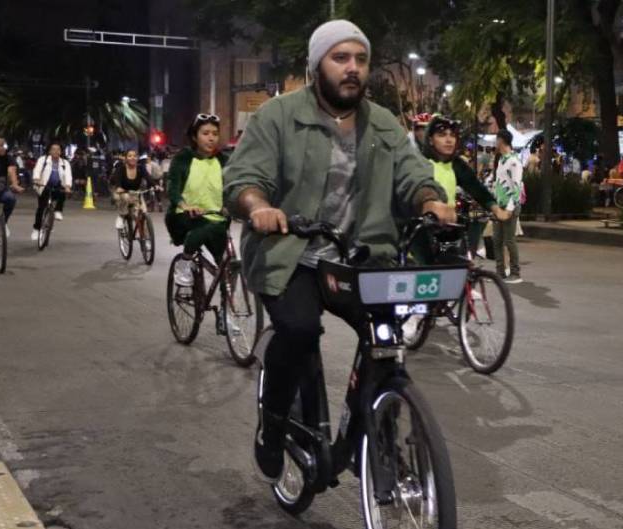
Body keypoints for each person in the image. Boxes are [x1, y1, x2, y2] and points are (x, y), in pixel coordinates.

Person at [221, 19, 456, 483]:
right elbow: (245, 177)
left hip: (362, 259)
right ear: (316, 66)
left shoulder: (384, 123)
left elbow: (412, 173)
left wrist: (430, 200)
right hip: (292, 255)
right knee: (300, 330)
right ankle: (272, 426)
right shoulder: (278, 116)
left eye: (360, 59)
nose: (352, 69)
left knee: (386, 339)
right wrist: (260, 206)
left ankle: (366, 435)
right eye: (340, 58)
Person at [415, 115, 511, 263]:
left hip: (448, 227)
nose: (449, 140)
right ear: (430, 140)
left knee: (461, 267)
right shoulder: (419, 163)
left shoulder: (456, 165)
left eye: (452, 135)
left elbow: (475, 187)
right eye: (442, 135)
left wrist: (496, 209)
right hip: (421, 230)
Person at [165, 116, 230, 285]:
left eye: (215, 134)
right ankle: (184, 263)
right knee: (204, 227)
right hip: (185, 217)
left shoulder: (223, 160)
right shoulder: (183, 158)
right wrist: (184, 205)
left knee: (226, 265)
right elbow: (172, 189)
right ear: (194, 136)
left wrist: (232, 205)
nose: (211, 138)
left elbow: (232, 186)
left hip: (216, 217)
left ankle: (228, 306)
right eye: (205, 133)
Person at [492, 129, 524, 283]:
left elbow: (517, 187)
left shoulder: (514, 162)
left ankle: (515, 272)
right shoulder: (501, 160)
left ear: (501, 141)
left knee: (509, 240)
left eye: (496, 139)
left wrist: (510, 208)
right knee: (497, 240)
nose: (495, 143)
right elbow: (498, 184)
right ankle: (500, 272)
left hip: (510, 206)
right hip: (499, 206)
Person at [30, 142, 72, 240]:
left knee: (62, 192)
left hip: (57, 186)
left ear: (61, 152)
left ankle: (58, 211)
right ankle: (36, 229)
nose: (56, 151)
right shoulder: (43, 160)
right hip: (44, 185)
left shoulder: (65, 163)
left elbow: (68, 176)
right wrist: (36, 179)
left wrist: (68, 186)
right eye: (53, 149)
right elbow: (37, 170)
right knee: (41, 208)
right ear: (49, 151)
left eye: (58, 150)